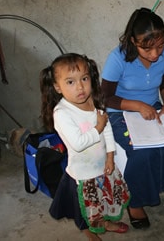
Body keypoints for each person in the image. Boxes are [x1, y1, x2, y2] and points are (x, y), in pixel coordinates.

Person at [101, 7, 164, 229]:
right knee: (141, 152)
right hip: (120, 112)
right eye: (147, 48)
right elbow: (105, 98)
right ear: (133, 41)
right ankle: (136, 202)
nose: (155, 54)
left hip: (154, 107)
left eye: (160, 46)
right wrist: (137, 105)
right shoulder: (118, 58)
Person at [40, 53, 130, 241]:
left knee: (104, 201)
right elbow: (79, 143)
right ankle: (90, 233)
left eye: (84, 78)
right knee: (85, 211)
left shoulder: (92, 101)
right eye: (70, 82)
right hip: (82, 176)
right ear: (57, 87)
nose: (80, 87)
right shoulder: (62, 113)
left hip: (103, 168)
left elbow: (108, 131)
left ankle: (105, 223)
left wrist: (111, 156)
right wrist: (98, 126)